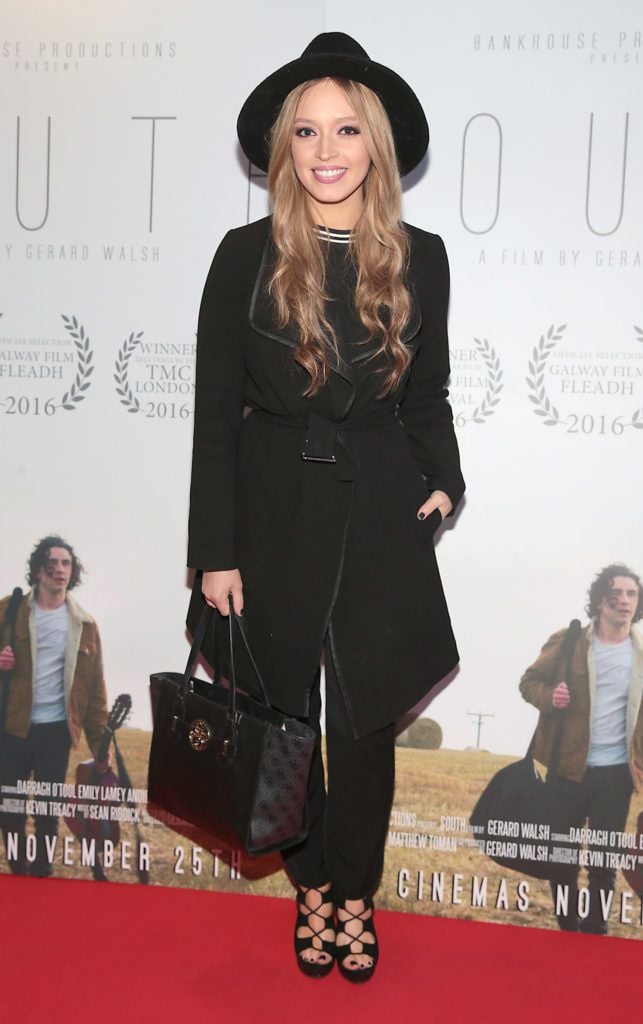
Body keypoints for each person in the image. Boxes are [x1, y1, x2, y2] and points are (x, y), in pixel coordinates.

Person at [188, 32, 464, 981]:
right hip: (270, 508)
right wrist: (213, 550)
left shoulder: (419, 257)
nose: (326, 150)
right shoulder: (243, 255)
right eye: (305, 132)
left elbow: (427, 395)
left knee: (363, 721)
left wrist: (445, 481)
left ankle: (353, 892)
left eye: (346, 129)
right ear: (284, 149)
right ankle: (307, 884)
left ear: (374, 145)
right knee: (281, 715)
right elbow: (214, 414)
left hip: (381, 507)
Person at [520, 564, 643, 934]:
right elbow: (529, 682)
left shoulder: (640, 653)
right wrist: (549, 697)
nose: (624, 601)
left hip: (616, 773)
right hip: (567, 769)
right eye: (616, 593)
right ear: (600, 600)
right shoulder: (571, 641)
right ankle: (568, 928)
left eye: (632, 594)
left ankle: (595, 931)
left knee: (604, 861)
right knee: (563, 859)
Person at [0, 535, 108, 877]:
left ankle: (43, 866)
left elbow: (95, 690)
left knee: (49, 806)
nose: (60, 570)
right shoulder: (9, 610)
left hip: (57, 729)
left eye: (66, 564)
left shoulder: (85, 625)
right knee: (10, 806)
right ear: (39, 569)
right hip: (13, 727)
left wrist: (100, 743)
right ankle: (18, 867)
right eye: (53, 563)